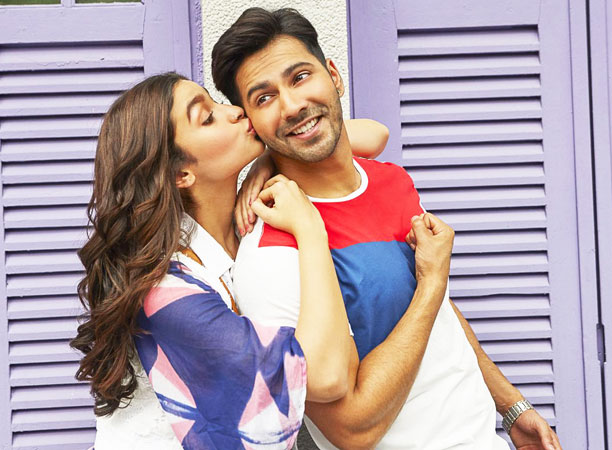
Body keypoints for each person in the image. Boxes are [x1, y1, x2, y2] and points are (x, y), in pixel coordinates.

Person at [211, 7, 562, 450]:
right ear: (251, 123)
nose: (292, 105)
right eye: (264, 98)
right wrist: (433, 282)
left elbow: (434, 312)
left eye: (300, 77)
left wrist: (510, 406)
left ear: (334, 75)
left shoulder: (391, 181)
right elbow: (351, 431)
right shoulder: (272, 252)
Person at [69, 73, 410, 449]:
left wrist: (270, 157)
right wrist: (310, 228)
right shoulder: (165, 291)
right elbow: (325, 376)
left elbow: (373, 135)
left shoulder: (243, 221)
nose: (234, 111)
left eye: (217, 102)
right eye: (207, 117)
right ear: (181, 174)